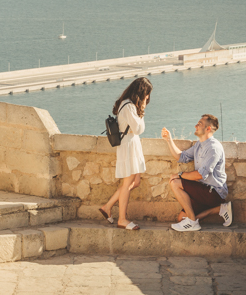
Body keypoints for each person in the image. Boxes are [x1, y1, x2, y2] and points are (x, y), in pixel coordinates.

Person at [161, 114, 232, 232]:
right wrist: (169, 140)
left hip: (214, 193)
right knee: (181, 218)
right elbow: (181, 157)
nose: (196, 126)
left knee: (175, 182)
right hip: (202, 191)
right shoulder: (199, 144)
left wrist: (179, 175)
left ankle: (193, 222)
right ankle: (219, 209)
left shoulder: (213, 148)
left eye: (199, 124)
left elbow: (200, 175)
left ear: (208, 128)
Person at [99, 77, 153, 230]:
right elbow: (139, 129)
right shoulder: (128, 106)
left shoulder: (127, 105)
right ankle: (122, 219)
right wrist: (142, 109)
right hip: (128, 146)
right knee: (127, 183)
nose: (148, 98)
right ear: (141, 92)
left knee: (135, 182)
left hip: (131, 145)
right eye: (147, 94)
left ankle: (107, 206)